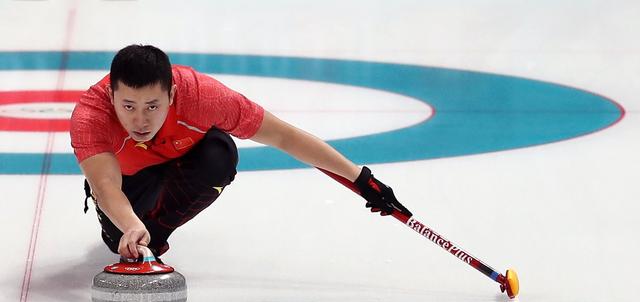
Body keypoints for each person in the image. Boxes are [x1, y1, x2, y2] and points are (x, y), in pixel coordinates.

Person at [70, 44, 410, 261]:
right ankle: (136, 229)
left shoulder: (202, 97)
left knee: (220, 153)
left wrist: (361, 178)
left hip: (183, 165)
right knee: (118, 239)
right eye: (127, 105)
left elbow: (283, 136)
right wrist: (129, 225)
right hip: (130, 184)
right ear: (111, 96)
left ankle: (155, 237)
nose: (139, 119)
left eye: (152, 106)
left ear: (172, 94)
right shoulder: (91, 116)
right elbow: (105, 186)